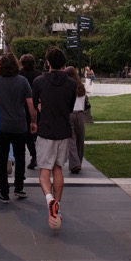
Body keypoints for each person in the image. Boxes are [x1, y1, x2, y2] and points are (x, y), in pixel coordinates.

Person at [31, 47, 78, 231]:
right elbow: (70, 106)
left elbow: (35, 104)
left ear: (48, 62)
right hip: (64, 131)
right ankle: (57, 206)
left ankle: (50, 200)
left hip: (46, 131)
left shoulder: (39, 81)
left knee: (44, 171)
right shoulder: (72, 83)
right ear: (64, 63)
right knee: (58, 169)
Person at [0, 52, 34, 202]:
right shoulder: (22, 81)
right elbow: (30, 104)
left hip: (1, 126)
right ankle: (19, 187)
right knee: (21, 157)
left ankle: (4, 192)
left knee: (1, 159)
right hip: (19, 125)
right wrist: (33, 121)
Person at [64, 65, 90, 175]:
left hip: (70, 114)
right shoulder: (81, 86)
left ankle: (74, 164)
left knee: (71, 140)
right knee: (80, 140)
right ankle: (78, 161)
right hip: (80, 114)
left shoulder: (66, 86)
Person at [18, 53, 42, 169]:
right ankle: (40, 154)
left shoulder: (19, 75)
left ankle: (34, 154)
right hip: (38, 106)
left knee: (27, 134)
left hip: (23, 107)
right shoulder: (39, 74)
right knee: (38, 132)